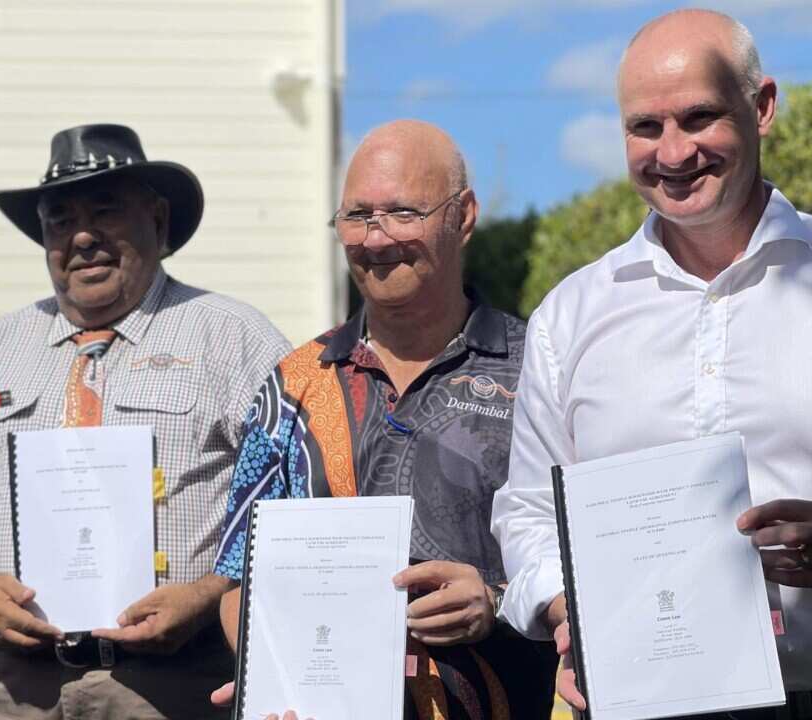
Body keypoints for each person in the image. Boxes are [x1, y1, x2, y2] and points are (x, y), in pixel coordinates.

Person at [492, 9, 812, 719]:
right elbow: (530, 515)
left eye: (698, 117)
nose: (674, 151)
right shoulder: (570, 316)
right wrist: (567, 608)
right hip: (643, 703)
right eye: (645, 127)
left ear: (763, 108)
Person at [0, 123, 291, 719]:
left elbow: (297, 493)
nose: (82, 236)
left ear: (158, 222)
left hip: (178, 686)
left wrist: (211, 595)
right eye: (59, 221)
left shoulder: (231, 336)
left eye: (106, 212)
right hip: (15, 687)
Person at [212, 120, 557, 720]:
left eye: (402, 212)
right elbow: (240, 579)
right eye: (357, 216)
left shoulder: (539, 368)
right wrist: (272, 671)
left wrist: (497, 602)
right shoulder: (292, 385)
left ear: (464, 215)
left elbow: (591, 552)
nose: (375, 239)